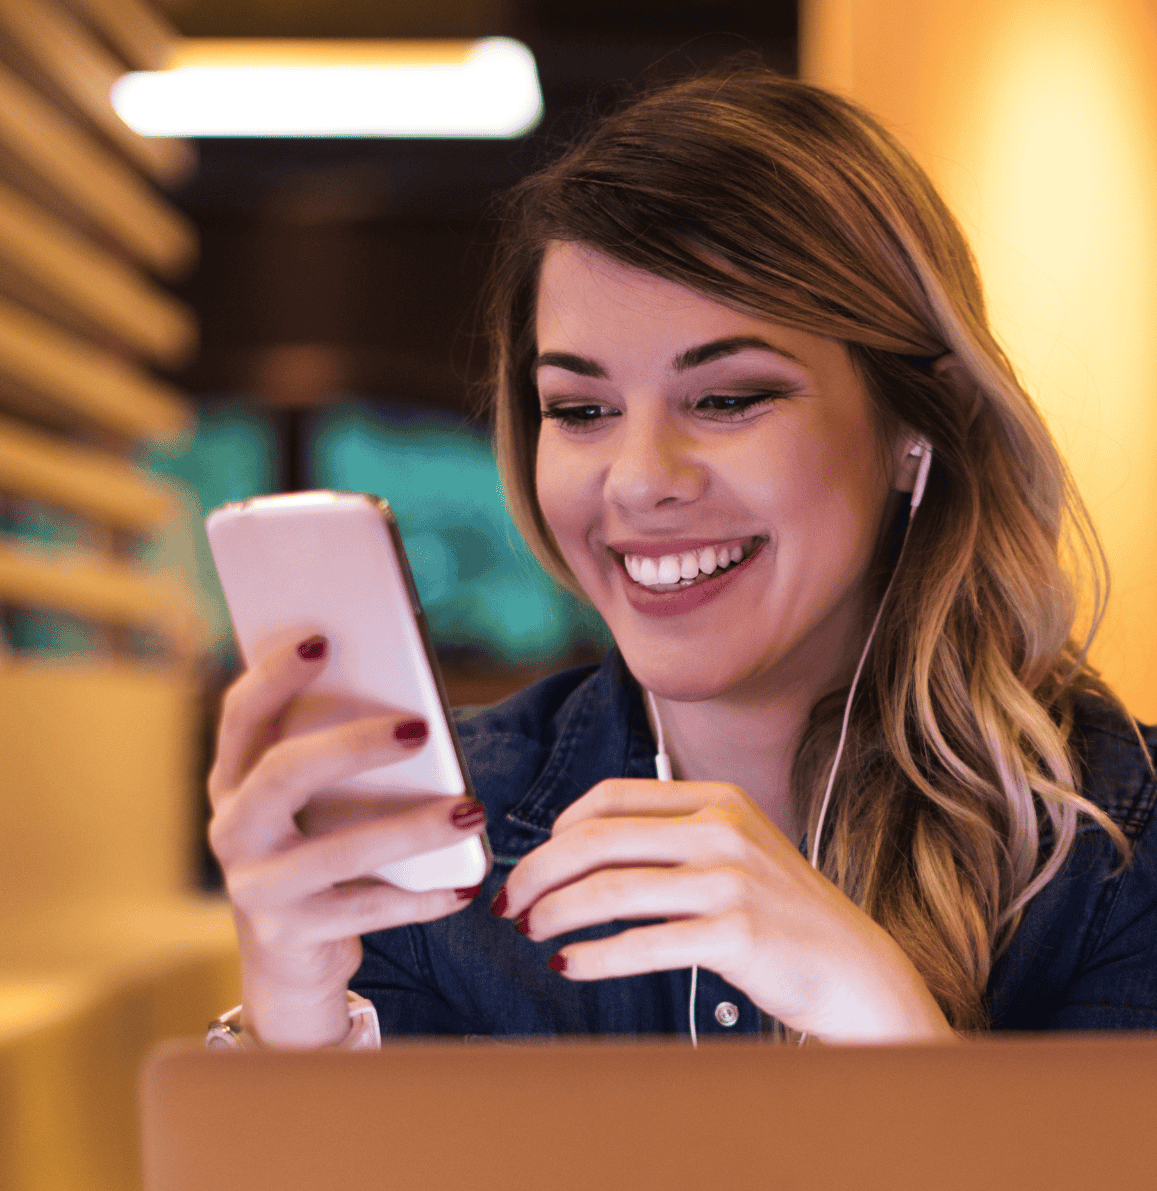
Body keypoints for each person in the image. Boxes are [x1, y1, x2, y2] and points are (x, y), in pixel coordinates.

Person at [207, 67, 1157, 1050]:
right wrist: (293, 1011)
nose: (633, 479)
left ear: (917, 424)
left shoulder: (1120, 849)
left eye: (726, 398)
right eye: (580, 411)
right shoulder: (438, 848)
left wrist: (877, 1019)